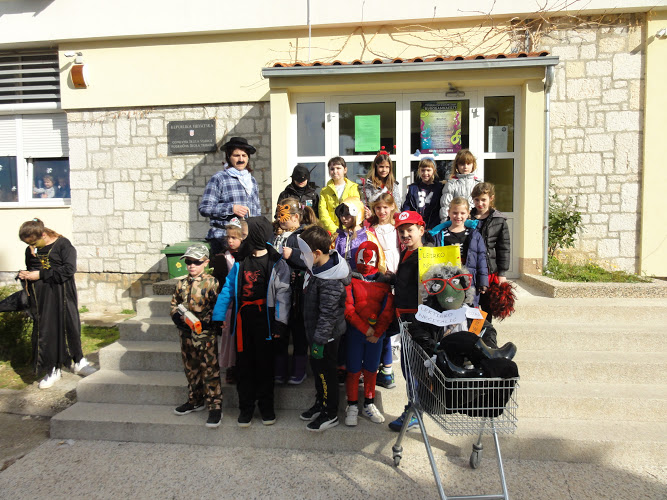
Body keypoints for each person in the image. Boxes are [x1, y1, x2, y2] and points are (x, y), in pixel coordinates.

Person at [212, 217, 292, 427]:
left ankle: (266, 408)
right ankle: (245, 408)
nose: (243, 238)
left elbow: (283, 295)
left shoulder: (276, 263)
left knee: (265, 367)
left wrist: (280, 323)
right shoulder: (241, 262)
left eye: (246, 235)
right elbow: (228, 288)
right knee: (244, 367)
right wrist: (219, 315)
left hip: (265, 324)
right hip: (243, 324)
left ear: (257, 235)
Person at [17, 219, 95, 389]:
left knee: (70, 326)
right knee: (48, 330)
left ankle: (79, 362)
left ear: (43, 234)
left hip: (64, 293)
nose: (31, 246)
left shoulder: (63, 245)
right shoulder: (32, 249)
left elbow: (68, 269)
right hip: (44, 297)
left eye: (33, 243)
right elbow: (32, 269)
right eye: (28, 244)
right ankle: (53, 368)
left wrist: (40, 275)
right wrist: (26, 274)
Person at [298, 225, 351, 432]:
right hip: (316, 333)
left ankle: (330, 412)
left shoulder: (330, 280)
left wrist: (319, 341)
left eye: (304, 253)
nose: (302, 257)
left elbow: (328, 315)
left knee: (326, 373)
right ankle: (321, 402)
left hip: (326, 337)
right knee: (318, 372)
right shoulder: (317, 267)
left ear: (317, 253)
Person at [170, 244, 222, 428]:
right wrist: (176, 316)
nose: (191, 265)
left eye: (196, 262)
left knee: (209, 369)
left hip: (204, 334)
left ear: (206, 263)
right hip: (186, 333)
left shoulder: (211, 282)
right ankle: (195, 399)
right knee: (190, 368)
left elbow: (218, 306)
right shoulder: (181, 283)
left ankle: (215, 406)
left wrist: (209, 322)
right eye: (188, 262)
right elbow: (174, 303)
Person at [343, 241, 394, 426]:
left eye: (370, 259)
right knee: (353, 369)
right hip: (356, 332)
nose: (366, 263)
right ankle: (352, 405)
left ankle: (369, 403)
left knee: (372, 369)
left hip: (375, 336)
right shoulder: (350, 280)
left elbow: (388, 309)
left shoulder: (384, 283)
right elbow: (348, 308)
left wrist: (377, 331)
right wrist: (366, 329)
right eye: (362, 259)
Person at [386, 211, 428, 432]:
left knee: (413, 368)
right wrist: (391, 278)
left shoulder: (426, 255)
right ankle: (414, 407)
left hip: (417, 321)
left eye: (410, 230)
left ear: (421, 230)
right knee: (407, 366)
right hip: (404, 318)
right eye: (401, 231)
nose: (405, 235)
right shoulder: (406, 253)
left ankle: (415, 411)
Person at [272, 197, 317, 385]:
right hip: (278, 292)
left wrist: (294, 255)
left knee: (299, 333)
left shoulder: (304, 236)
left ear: (296, 217)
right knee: (280, 331)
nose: (279, 219)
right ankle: (280, 370)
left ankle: (299, 371)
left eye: (283, 216)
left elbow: (313, 259)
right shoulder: (275, 235)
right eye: (278, 215)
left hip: (298, 293)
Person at [199, 137, 261, 256]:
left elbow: (257, 212)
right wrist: (231, 208)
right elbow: (205, 208)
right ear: (228, 157)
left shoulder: (252, 181)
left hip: (246, 241)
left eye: (244, 155)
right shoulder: (219, 178)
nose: (241, 159)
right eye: (236, 155)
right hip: (223, 240)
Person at [368, 193, 401, 389]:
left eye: (385, 208)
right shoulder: (371, 229)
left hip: (395, 271)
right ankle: (379, 364)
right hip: (379, 274)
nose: (382, 211)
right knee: (380, 317)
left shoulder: (397, 228)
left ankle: (388, 366)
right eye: (378, 208)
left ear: (392, 208)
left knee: (391, 318)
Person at [210, 217, 248, 384]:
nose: (230, 241)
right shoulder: (222, 257)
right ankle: (230, 367)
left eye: (234, 237)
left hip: (244, 302)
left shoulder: (247, 256)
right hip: (229, 304)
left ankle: (242, 366)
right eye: (228, 237)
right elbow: (220, 282)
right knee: (228, 337)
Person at [430, 197, 489, 304]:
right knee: (448, 306)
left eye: (462, 213)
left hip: (469, 280)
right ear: (449, 212)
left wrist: (483, 282)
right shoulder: (440, 235)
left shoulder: (474, 235)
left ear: (468, 213)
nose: (458, 216)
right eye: (455, 213)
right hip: (447, 280)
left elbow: (481, 259)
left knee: (468, 307)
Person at [471, 182, 511, 322]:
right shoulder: (467, 218)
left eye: (483, 199)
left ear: (491, 198)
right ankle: (472, 333)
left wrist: (502, 273)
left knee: (487, 306)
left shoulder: (499, 220)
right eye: (476, 199)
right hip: (471, 269)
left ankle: (486, 332)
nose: (480, 203)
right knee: (472, 305)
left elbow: (504, 248)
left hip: (490, 270)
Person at [334, 197, 385, 274]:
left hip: (362, 278)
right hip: (340, 277)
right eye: (341, 214)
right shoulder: (337, 237)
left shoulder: (368, 237)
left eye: (347, 214)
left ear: (357, 214)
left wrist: (380, 276)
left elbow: (379, 260)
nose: (343, 218)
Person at [318, 157, 360, 234]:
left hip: (350, 231)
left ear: (345, 170)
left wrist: (349, 228)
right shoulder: (324, 191)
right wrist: (335, 231)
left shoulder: (353, 187)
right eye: (332, 169)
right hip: (331, 233)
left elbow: (357, 209)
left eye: (338, 168)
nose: (335, 171)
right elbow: (323, 213)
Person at [439, 148, 482, 222]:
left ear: (473, 165)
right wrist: (445, 223)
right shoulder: (451, 184)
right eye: (462, 164)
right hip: (456, 222)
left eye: (468, 164)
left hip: (475, 222)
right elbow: (445, 206)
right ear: (457, 166)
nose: (465, 167)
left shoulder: (478, 184)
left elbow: (482, 206)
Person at [402, 157, 444, 230]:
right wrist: (410, 222)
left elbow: (439, 209)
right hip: (416, 225)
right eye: (423, 170)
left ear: (434, 171)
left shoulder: (439, 188)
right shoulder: (413, 188)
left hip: (433, 226)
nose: (425, 173)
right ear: (419, 171)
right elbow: (407, 207)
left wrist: (433, 227)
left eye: (428, 170)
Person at [361, 151, 403, 218]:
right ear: (375, 167)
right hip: (373, 219)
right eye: (381, 167)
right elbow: (365, 204)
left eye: (387, 167)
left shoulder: (393, 185)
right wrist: (371, 214)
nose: (384, 170)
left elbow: (397, 206)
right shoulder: (369, 185)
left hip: (390, 220)